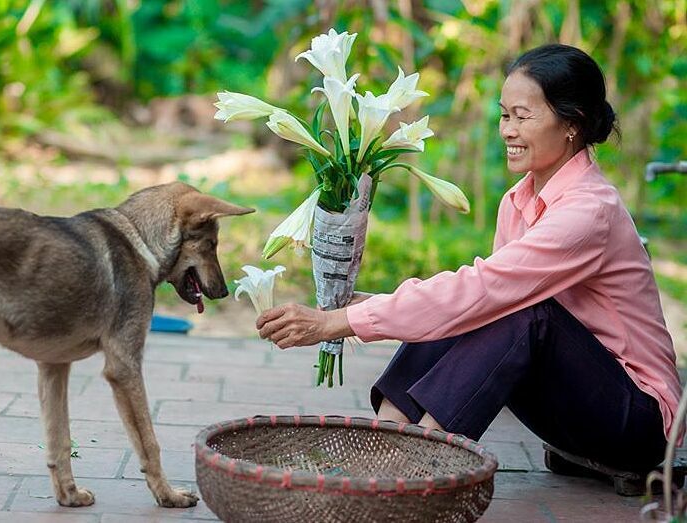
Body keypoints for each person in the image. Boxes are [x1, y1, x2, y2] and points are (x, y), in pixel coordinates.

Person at [256, 43, 680, 473]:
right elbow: (477, 298)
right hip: (571, 409)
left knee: (514, 311)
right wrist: (370, 306)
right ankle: (384, 447)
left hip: (638, 423)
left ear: (572, 124)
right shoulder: (518, 200)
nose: (508, 130)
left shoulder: (591, 210)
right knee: (475, 308)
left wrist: (336, 323)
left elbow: (488, 292)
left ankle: (423, 464)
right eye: (505, 115)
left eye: (523, 116)